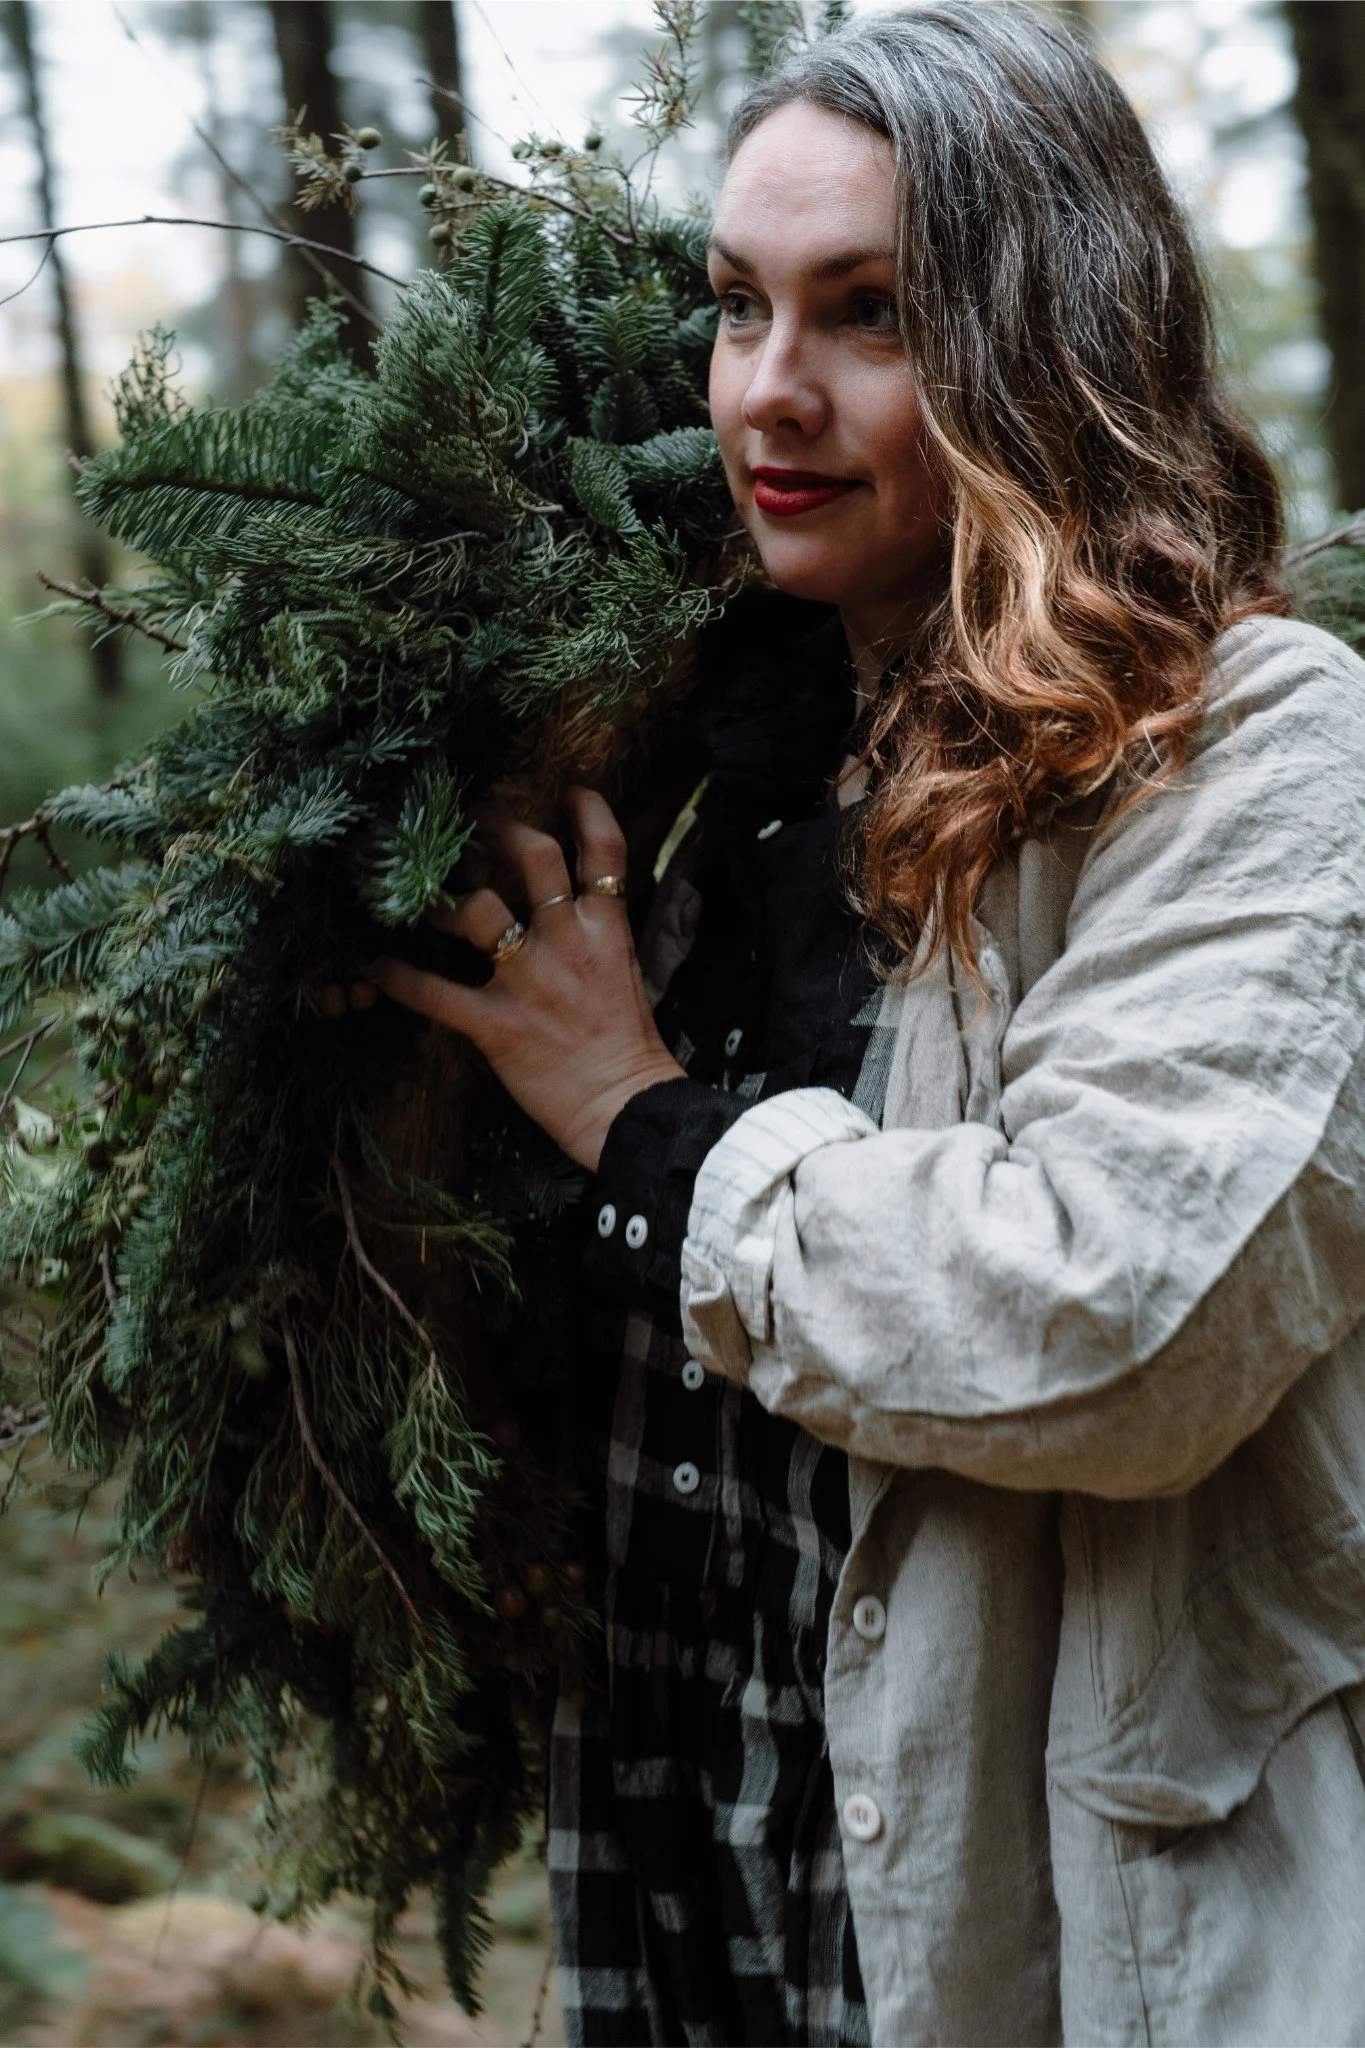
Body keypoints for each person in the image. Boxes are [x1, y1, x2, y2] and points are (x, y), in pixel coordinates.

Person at [373, 5, 1365, 2043]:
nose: (768, 392)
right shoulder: (702, 750)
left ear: (1042, 340)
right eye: (736, 306)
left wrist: (640, 1122)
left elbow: (1115, 1320)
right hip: (686, 1788)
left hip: (1043, 1873)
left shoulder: (1262, 755)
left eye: (871, 313)